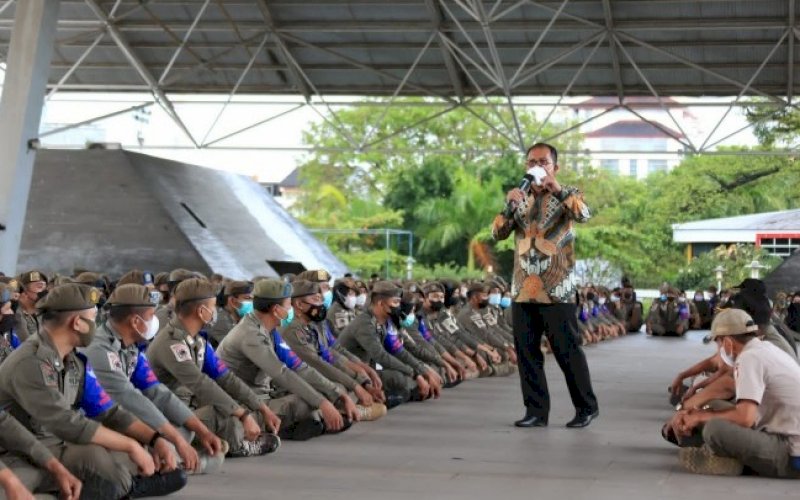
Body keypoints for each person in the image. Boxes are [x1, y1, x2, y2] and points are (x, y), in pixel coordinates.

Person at [0, 283, 187, 498]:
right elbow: (66, 422)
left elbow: (108, 411)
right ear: (77, 323)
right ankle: (119, 488)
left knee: (109, 457)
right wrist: (131, 445)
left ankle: (116, 487)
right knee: (98, 460)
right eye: (92, 316)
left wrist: (154, 439)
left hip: (55, 445)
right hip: (21, 453)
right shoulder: (31, 362)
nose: (96, 323)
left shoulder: (71, 360)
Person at [491, 142, 598, 429]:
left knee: (567, 351)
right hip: (522, 288)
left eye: (543, 161)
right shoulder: (519, 197)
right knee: (526, 353)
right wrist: (508, 204)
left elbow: (584, 215)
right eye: (531, 162)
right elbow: (497, 233)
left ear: (555, 167)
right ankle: (536, 411)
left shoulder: (569, 194)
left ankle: (586, 407)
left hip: (557, 289)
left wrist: (558, 189)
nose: (536, 166)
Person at [83, 284, 226, 474]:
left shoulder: (130, 346)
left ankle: (170, 461)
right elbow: (130, 398)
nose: (154, 321)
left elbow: (157, 391)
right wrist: (175, 440)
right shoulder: (100, 349)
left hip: (122, 420)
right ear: (135, 321)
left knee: (184, 429)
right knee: (139, 451)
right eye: (151, 316)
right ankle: (172, 464)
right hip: (96, 424)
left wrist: (202, 431)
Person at [147, 278, 282, 458]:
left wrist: (261, 408)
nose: (215, 312)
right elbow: (201, 384)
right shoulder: (171, 344)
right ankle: (233, 446)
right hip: (163, 418)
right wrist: (243, 415)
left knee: (230, 407)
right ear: (201, 311)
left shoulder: (197, 340)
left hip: (184, 410)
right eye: (212, 307)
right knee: (223, 412)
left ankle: (215, 445)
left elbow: (225, 377)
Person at [670, 309, 800, 478]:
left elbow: (745, 418)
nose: (719, 350)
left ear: (728, 343)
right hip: (780, 433)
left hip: (791, 453)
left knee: (714, 429)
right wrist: (697, 412)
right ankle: (722, 452)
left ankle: (732, 461)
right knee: (713, 407)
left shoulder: (749, 358)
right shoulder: (764, 349)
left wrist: (698, 417)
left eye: (718, 343)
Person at [217, 278, 349, 441]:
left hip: (263, 397)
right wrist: (323, 403)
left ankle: (306, 422)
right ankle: (278, 426)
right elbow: (281, 373)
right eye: (289, 304)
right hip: (242, 406)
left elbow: (299, 367)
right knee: (303, 403)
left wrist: (336, 395)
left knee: (326, 391)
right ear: (277, 309)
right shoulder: (250, 335)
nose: (291, 309)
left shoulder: (268, 330)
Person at [280, 280, 386, 420]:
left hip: (310, 374)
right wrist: (356, 385)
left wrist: (360, 380)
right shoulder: (292, 330)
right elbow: (317, 363)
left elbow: (331, 354)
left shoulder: (312, 325)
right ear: (299, 304)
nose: (321, 304)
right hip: (293, 381)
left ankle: (345, 410)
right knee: (336, 388)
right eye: (316, 299)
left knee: (343, 384)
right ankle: (341, 413)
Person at [339, 281, 442, 407]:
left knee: (408, 378)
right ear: (381, 303)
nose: (399, 307)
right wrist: (415, 374)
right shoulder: (365, 323)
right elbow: (380, 356)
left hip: (369, 370)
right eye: (395, 302)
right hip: (352, 372)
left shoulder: (384, 321)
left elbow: (398, 351)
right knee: (399, 378)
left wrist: (423, 371)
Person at [207, 280, 254, 348]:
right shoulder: (220, 320)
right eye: (247, 298)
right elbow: (240, 349)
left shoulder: (238, 317)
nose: (252, 303)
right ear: (232, 301)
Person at [14, 270, 48, 342]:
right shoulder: (17, 314)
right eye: (39, 286)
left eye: (45, 287)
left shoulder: (43, 313)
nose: (44, 291)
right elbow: (26, 343)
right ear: (24, 291)